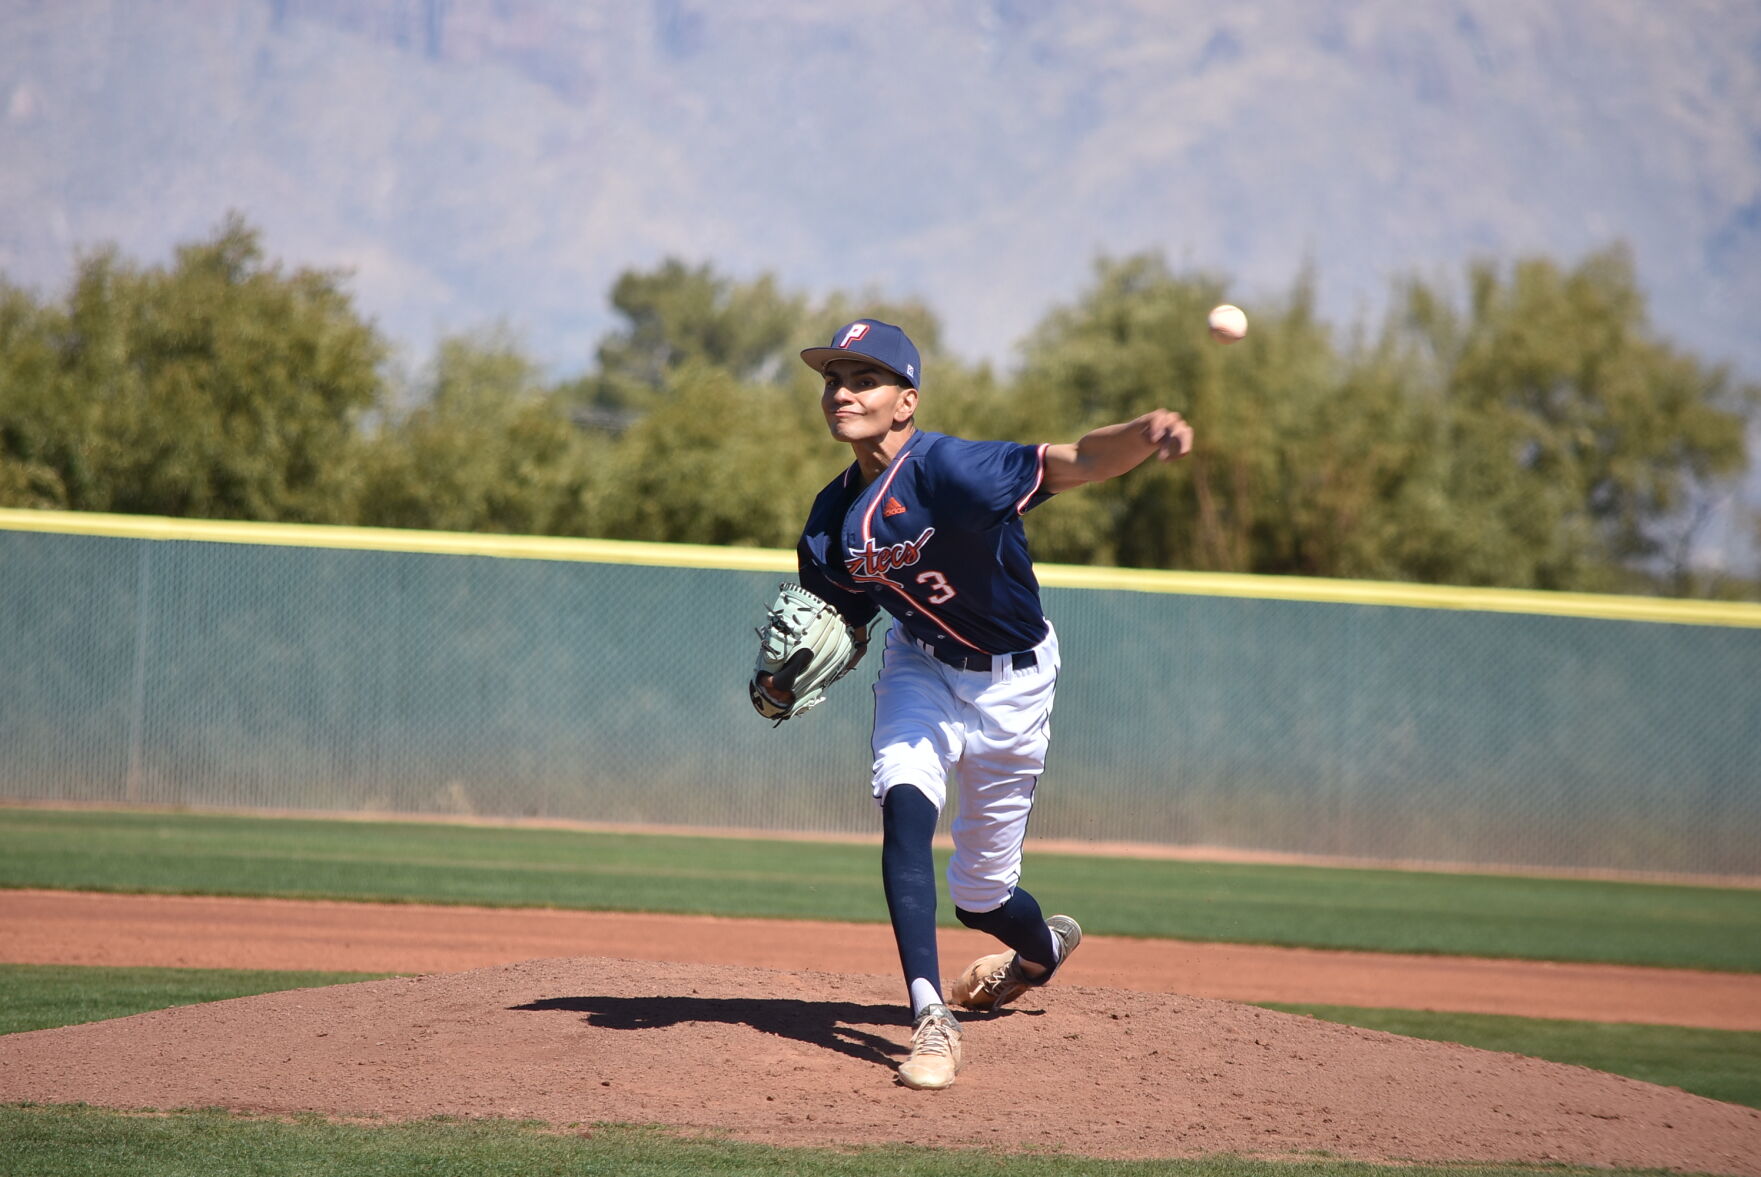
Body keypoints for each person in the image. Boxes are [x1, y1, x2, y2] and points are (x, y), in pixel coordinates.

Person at [760, 318, 1194, 1091]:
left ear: (906, 402)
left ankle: (1038, 954)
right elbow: (841, 621)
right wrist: (781, 678)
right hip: (921, 665)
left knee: (981, 895)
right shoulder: (830, 520)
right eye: (832, 379)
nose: (840, 392)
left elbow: (1079, 459)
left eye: (862, 378)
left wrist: (1145, 431)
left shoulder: (951, 469)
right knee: (902, 800)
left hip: (1014, 682)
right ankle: (932, 1019)